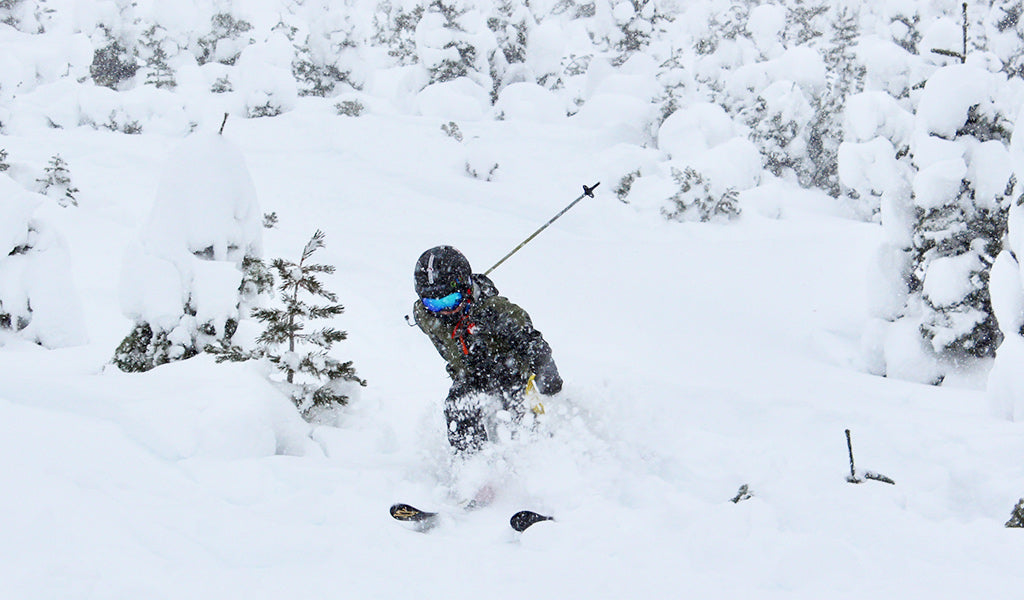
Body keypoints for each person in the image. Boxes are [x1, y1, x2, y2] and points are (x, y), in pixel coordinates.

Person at [412, 245, 562, 455]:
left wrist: (550, 385)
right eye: (433, 303)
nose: (444, 310)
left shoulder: (498, 313)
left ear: (465, 288)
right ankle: (474, 468)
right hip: (470, 377)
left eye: (449, 300)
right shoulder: (425, 315)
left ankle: (537, 452)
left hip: (512, 376)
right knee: (458, 404)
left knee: (516, 407)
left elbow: (536, 348)